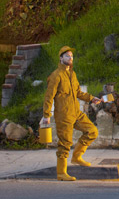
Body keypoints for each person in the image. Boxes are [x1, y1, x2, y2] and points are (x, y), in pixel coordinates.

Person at [40, 46, 102, 181]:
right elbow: (48, 97)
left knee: (92, 131)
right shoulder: (56, 76)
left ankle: (77, 157)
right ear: (61, 58)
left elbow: (78, 92)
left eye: (72, 56)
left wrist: (92, 98)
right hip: (63, 115)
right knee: (65, 143)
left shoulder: (72, 74)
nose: (70, 58)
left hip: (76, 112)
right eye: (67, 56)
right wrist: (46, 116)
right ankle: (61, 173)